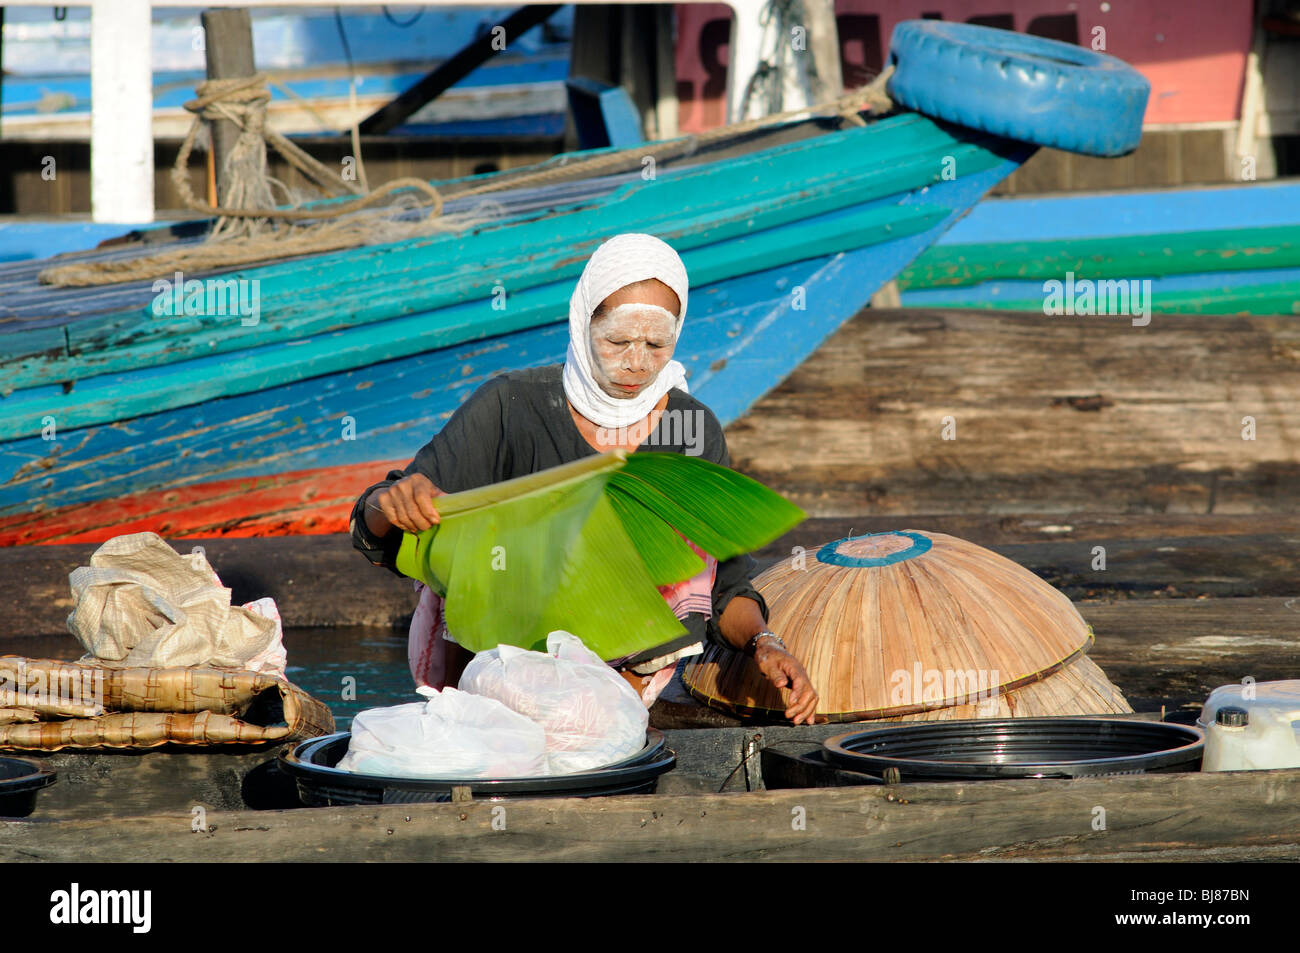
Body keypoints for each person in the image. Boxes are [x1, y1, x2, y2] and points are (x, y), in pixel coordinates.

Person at [350, 232, 819, 724]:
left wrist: (766, 644)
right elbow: (372, 532)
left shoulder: (692, 430)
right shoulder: (511, 405)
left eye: (657, 344)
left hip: (631, 685)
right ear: (582, 321)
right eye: (617, 340)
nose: (637, 362)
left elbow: (727, 585)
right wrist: (392, 502)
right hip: (504, 673)